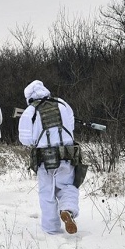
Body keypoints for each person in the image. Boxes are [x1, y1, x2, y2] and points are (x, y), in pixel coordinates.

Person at [18, 80, 79, 234]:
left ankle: (51, 229)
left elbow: (25, 139)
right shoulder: (62, 104)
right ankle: (67, 210)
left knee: (47, 193)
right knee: (67, 186)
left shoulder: (30, 111)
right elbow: (71, 126)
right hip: (67, 154)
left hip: (45, 158)